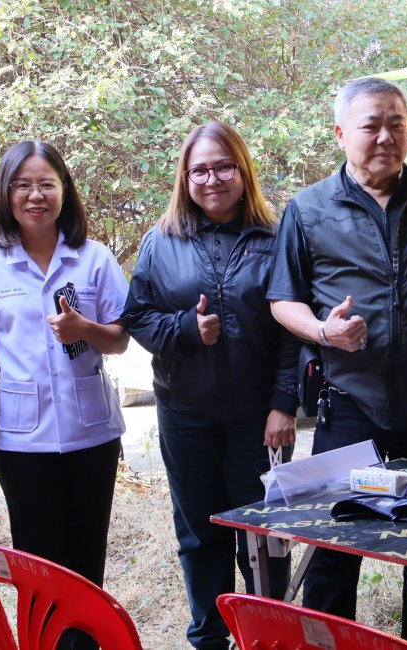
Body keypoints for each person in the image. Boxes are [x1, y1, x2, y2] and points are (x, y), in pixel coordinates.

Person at [266, 76, 407, 627]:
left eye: (397, 124)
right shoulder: (309, 209)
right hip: (349, 406)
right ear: (341, 133)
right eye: (371, 125)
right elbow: (282, 299)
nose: (386, 137)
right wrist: (324, 332)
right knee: (333, 552)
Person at [122, 121, 298, 650]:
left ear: (243, 172)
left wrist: (284, 403)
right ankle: (208, 637)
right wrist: (184, 329)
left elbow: (293, 329)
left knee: (262, 535)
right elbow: (137, 316)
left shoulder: (277, 238)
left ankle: (267, 636)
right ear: (185, 177)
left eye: (224, 167)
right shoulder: (161, 241)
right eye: (199, 170)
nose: (212, 179)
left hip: (257, 417)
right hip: (186, 413)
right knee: (199, 533)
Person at [0, 141, 129, 650]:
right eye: (23, 185)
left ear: (64, 191)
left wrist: (83, 329)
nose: (36, 196)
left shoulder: (93, 258)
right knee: (37, 564)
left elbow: (120, 338)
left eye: (47, 184)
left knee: (87, 561)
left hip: (92, 436)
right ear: (6, 194)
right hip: (22, 443)